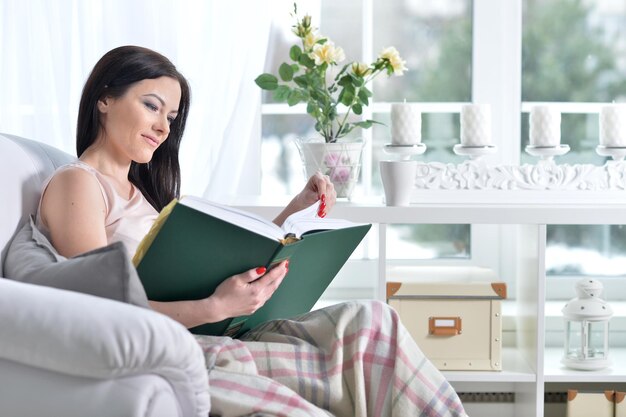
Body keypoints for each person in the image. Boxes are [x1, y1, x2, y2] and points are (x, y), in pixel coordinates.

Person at [37, 45, 467, 417]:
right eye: (151, 106)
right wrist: (212, 307)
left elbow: (198, 269)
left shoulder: (139, 192)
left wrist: (294, 214)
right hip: (183, 342)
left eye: (171, 115)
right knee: (360, 350)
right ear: (104, 99)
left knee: (372, 319)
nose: (164, 128)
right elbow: (100, 310)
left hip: (217, 326)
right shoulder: (78, 183)